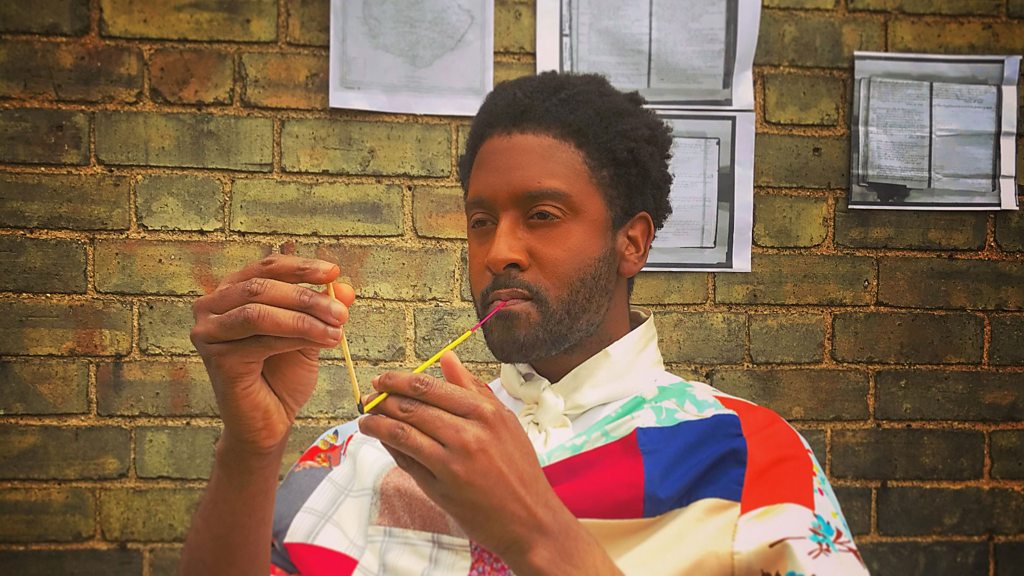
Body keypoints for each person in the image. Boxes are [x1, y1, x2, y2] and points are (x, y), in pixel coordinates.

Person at [181, 72, 868, 575]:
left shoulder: (742, 454)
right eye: (481, 221)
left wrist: (535, 532)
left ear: (631, 242)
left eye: (542, 215)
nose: (498, 252)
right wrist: (251, 446)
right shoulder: (377, 447)